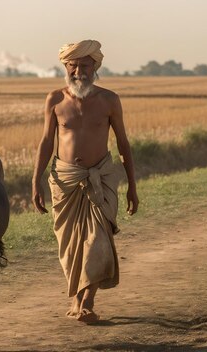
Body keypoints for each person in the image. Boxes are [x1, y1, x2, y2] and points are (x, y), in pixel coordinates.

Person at [32, 39, 139, 324]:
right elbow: (46, 142)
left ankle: (87, 302)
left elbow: (124, 144)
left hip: (101, 178)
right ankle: (76, 298)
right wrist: (35, 181)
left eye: (85, 65)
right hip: (65, 180)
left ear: (95, 67)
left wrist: (132, 187)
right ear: (66, 67)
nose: (79, 71)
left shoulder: (109, 100)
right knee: (70, 245)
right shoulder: (54, 99)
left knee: (97, 240)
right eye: (73, 65)